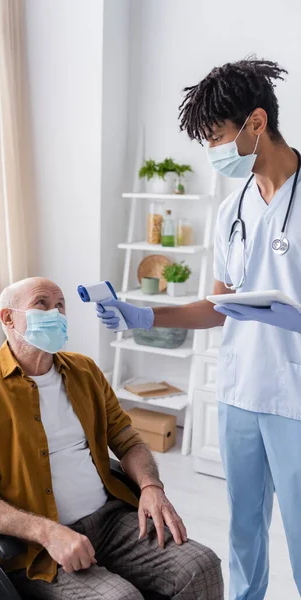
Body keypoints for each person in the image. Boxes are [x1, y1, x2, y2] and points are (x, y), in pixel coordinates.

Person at [97, 59, 301, 600]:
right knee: (244, 534)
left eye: (217, 137)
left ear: (257, 123)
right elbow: (219, 303)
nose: (212, 152)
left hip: (297, 395)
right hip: (240, 390)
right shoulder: (231, 207)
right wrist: (147, 315)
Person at [0, 277, 223, 600]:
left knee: (202, 567)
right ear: (8, 318)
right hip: (40, 548)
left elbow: (127, 439)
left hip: (111, 522)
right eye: (42, 304)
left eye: (61, 306)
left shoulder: (84, 371)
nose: (56, 313)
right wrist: (47, 532)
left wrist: (150, 486)